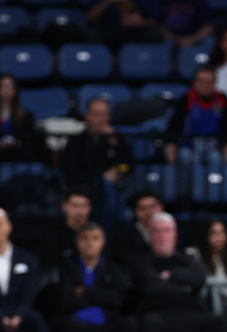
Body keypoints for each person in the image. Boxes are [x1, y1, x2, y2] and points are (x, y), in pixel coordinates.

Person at [58, 222, 144, 332]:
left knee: (129, 324)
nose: (90, 243)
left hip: (106, 322)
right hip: (78, 323)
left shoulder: (112, 268)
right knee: (71, 326)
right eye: (85, 238)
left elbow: (117, 300)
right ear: (77, 242)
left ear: (102, 243)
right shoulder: (67, 267)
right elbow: (67, 300)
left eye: (95, 238)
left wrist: (86, 292)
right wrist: (100, 298)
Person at [0, 208, 57, 332]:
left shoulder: (26, 259)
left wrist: (19, 316)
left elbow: (29, 295)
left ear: (9, 227)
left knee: (37, 320)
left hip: (20, 312)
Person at [60, 98, 132, 232]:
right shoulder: (77, 141)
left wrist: (116, 169)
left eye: (105, 114)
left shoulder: (117, 140)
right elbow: (72, 170)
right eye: (97, 114)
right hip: (85, 189)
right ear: (87, 116)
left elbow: (127, 165)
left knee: (108, 187)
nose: (102, 119)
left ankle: (111, 233)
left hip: (114, 190)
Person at [164, 67, 227, 167]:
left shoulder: (221, 99)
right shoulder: (187, 98)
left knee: (217, 159)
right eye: (202, 81)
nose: (206, 85)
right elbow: (174, 128)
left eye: (210, 82)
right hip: (189, 148)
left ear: (215, 83)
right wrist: (171, 160)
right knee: (187, 157)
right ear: (195, 83)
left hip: (214, 149)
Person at [42, 187, 92, 269]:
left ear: (90, 207)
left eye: (84, 205)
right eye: (75, 205)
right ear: (64, 206)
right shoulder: (54, 235)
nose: (80, 210)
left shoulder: (97, 234)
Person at [185, 218, 227, 286]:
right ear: (205, 235)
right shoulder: (194, 255)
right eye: (214, 233)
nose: (220, 238)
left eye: (223, 232)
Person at [114, 190, 164, 266]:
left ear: (161, 207)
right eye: (143, 208)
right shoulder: (126, 236)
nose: (149, 212)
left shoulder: (174, 229)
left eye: (152, 207)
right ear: (135, 212)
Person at [87, 0, 164, 47]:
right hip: (113, 32)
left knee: (155, 34)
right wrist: (108, 2)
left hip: (140, 31)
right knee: (95, 36)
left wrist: (141, 22)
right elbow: (90, 17)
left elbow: (155, 21)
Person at [0, 74, 39, 163]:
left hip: (19, 156)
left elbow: (29, 141)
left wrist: (16, 143)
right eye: (3, 86)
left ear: (15, 90)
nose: (7, 89)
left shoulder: (25, 117)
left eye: (10, 86)